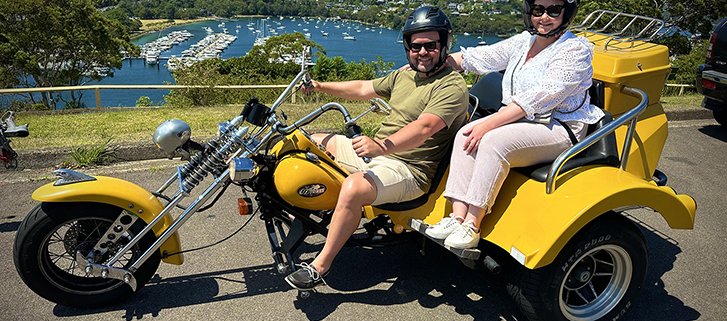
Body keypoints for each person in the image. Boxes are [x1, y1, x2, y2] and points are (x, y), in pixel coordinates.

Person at [284, 6, 468, 291]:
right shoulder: (405, 75)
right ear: (407, 46)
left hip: (410, 170)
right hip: (377, 154)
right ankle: (310, 214)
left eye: (431, 45)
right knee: (305, 142)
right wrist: (320, 86)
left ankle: (320, 265)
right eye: (415, 46)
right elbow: (362, 88)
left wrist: (380, 146)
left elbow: (425, 128)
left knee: (354, 188)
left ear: (445, 45)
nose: (422, 52)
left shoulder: (452, 86)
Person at [424, 0, 605, 249]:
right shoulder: (524, 42)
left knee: (493, 142)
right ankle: (456, 217)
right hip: (521, 119)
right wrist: (433, 65)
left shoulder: (574, 50)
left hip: (559, 127)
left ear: (566, 14)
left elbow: (542, 96)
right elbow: (482, 57)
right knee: (465, 133)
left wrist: (488, 125)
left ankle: (472, 225)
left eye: (553, 10)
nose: (544, 17)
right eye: (538, 10)